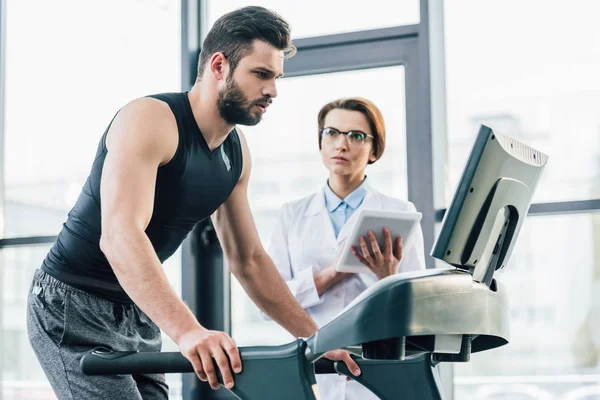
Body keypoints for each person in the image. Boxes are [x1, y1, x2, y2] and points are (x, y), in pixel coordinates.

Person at [26, 6, 359, 399]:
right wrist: (188, 330)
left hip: (138, 307)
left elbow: (249, 259)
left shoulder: (236, 155)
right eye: (261, 74)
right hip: (72, 302)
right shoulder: (152, 119)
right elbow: (119, 236)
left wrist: (314, 337)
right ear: (219, 65)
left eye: (277, 78)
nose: (273, 91)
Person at [267, 97, 427, 399]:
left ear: (374, 149)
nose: (341, 145)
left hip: (371, 372)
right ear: (321, 142)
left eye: (356, 136)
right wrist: (332, 274)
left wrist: (387, 277)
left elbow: (414, 311)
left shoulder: (399, 213)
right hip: (309, 368)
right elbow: (269, 300)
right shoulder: (292, 214)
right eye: (332, 133)